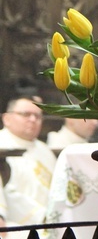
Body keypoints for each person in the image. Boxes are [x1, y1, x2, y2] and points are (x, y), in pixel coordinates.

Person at [0, 97, 57, 232]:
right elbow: (7, 192)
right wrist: (42, 217)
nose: (33, 120)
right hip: (15, 224)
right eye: (26, 114)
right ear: (6, 119)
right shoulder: (2, 147)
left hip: (52, 221)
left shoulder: (45, 150)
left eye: (37, 116)